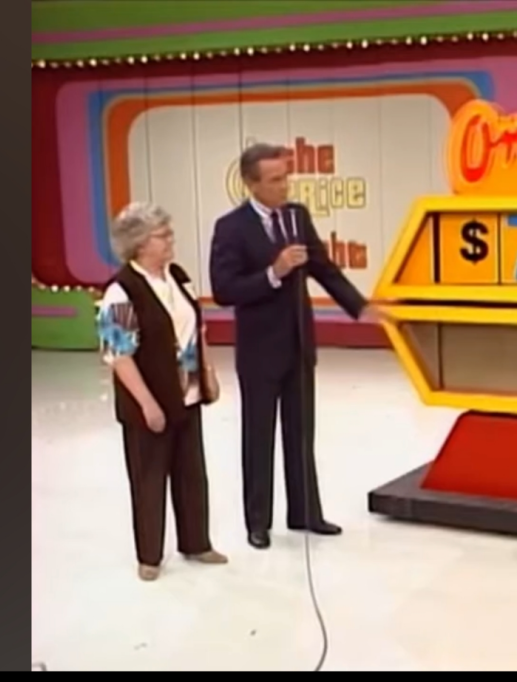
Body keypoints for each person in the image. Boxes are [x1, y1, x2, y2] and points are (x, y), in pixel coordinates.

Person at [209, 143, 382, 550]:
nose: (284, 185)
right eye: (274, 180)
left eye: (286, 176)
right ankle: (258, 522)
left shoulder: (296, 217)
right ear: (251, 184)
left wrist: (360, 307)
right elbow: (224, 289)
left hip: (299, 344)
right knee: (259, 436)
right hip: (258, 351)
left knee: (301, 433)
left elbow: (323, 268)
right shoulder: (231, 228)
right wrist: (274, 271)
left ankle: (305, 512)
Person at [97, 202, 228, 581]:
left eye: (170, 232)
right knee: (149, 477)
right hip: (147, 400)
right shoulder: (121, 291)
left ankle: (196, 542)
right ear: (139, 243)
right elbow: (118, 355)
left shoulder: (179, 277)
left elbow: (197, 330)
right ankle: (150, 556)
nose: (171, 240)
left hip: (186, 394)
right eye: (163, 235)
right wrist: (148, 404)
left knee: (191, 472)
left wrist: (208, 374)